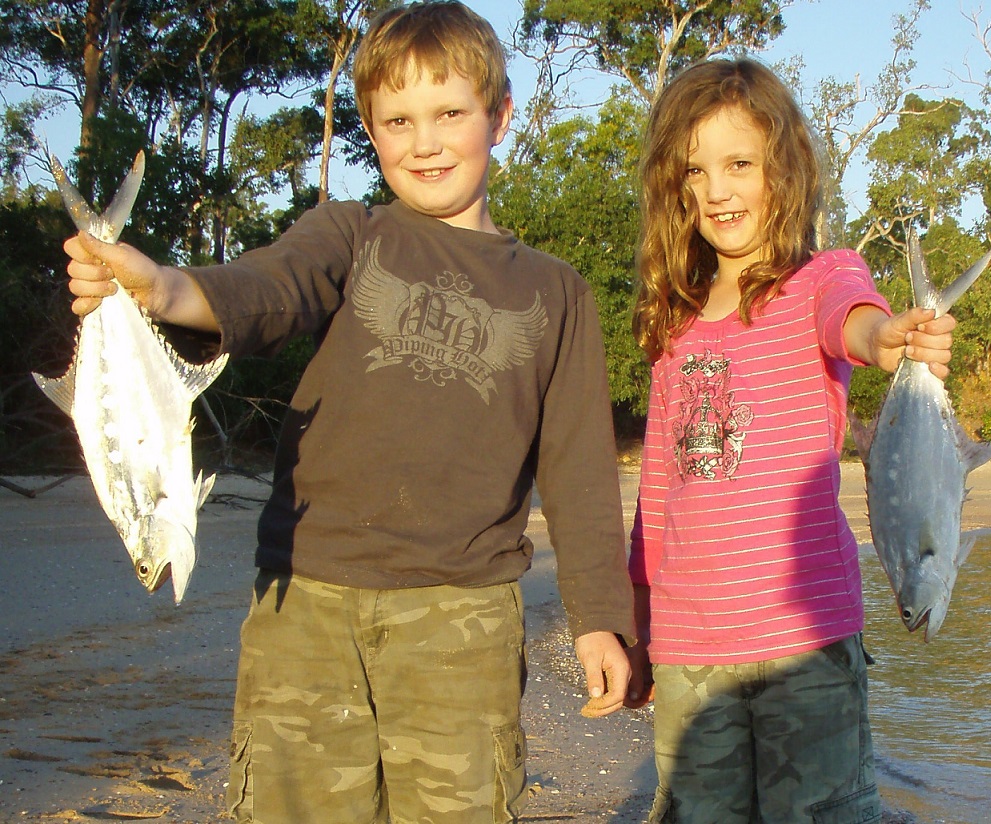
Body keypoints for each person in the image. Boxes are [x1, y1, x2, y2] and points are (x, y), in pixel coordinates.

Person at [62, 2, 635, 822]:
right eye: (398, 120)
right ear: (370, 129)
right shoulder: (349, 237)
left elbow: (579, 471)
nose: (425, 141)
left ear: (499, 117)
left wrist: (598, 621)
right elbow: (266, 288)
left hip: (462, 616)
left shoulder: (554, 291)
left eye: (449, 114)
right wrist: (160, 287)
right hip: (307, 605)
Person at [624, 57, 960, 824]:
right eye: (693, 171)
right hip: (687, 642)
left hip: (803, 639)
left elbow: (855, 317)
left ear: (785, 168)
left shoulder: (817, 279)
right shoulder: (672, 319)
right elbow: (658, 489)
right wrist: (639, 616)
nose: (715, 190)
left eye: (738, 164)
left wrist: (889, 341)